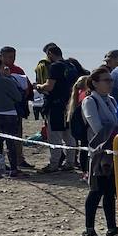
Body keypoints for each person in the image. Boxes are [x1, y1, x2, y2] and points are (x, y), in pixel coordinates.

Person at [78, 68, 118, 236]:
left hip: (113, 152)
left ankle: (112, 229)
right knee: (96, 192)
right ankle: (88, 231)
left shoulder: (111, 100)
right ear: (95, 82)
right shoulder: (90, 101)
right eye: (106, 80)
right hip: (98, 154)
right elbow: (97, 127)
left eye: (111, 80)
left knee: (110, 192)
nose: (110, 83)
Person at [39, 43, 81, 172]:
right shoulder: (71, 66)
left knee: (55, 136)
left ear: (50, 54)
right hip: (69, 103)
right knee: (69, 136)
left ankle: (54, 164)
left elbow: (50, 86)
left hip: (56, 105)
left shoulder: (55, 66)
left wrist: (39, 87)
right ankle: (70, 162)